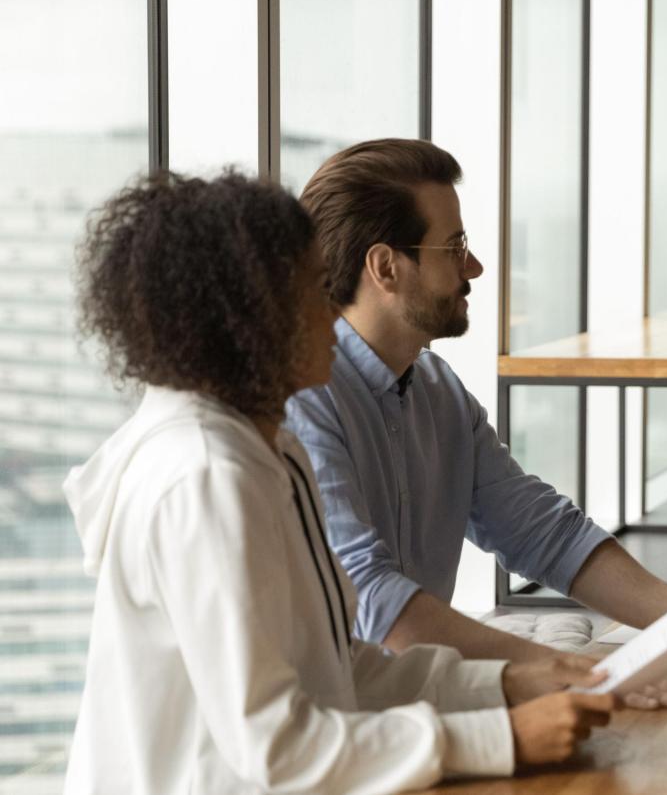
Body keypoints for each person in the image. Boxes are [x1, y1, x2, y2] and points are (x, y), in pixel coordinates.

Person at [65, 172, 618, 793]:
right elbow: (278, 747)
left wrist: (505, 685)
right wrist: (500, 738)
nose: (334, 308)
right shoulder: (205, 478)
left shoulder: (267, 447)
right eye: (309, 290)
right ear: (245, 320)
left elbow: (336, 668)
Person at [283, 139, 667, 697]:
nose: (474, 266)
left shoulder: (438, 389)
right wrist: (567, 674)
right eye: (455, 247)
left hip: (420, 699)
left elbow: (546, 534)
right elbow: (370, 601)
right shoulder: (301, 402)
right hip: (340, 727)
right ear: (386, 267)